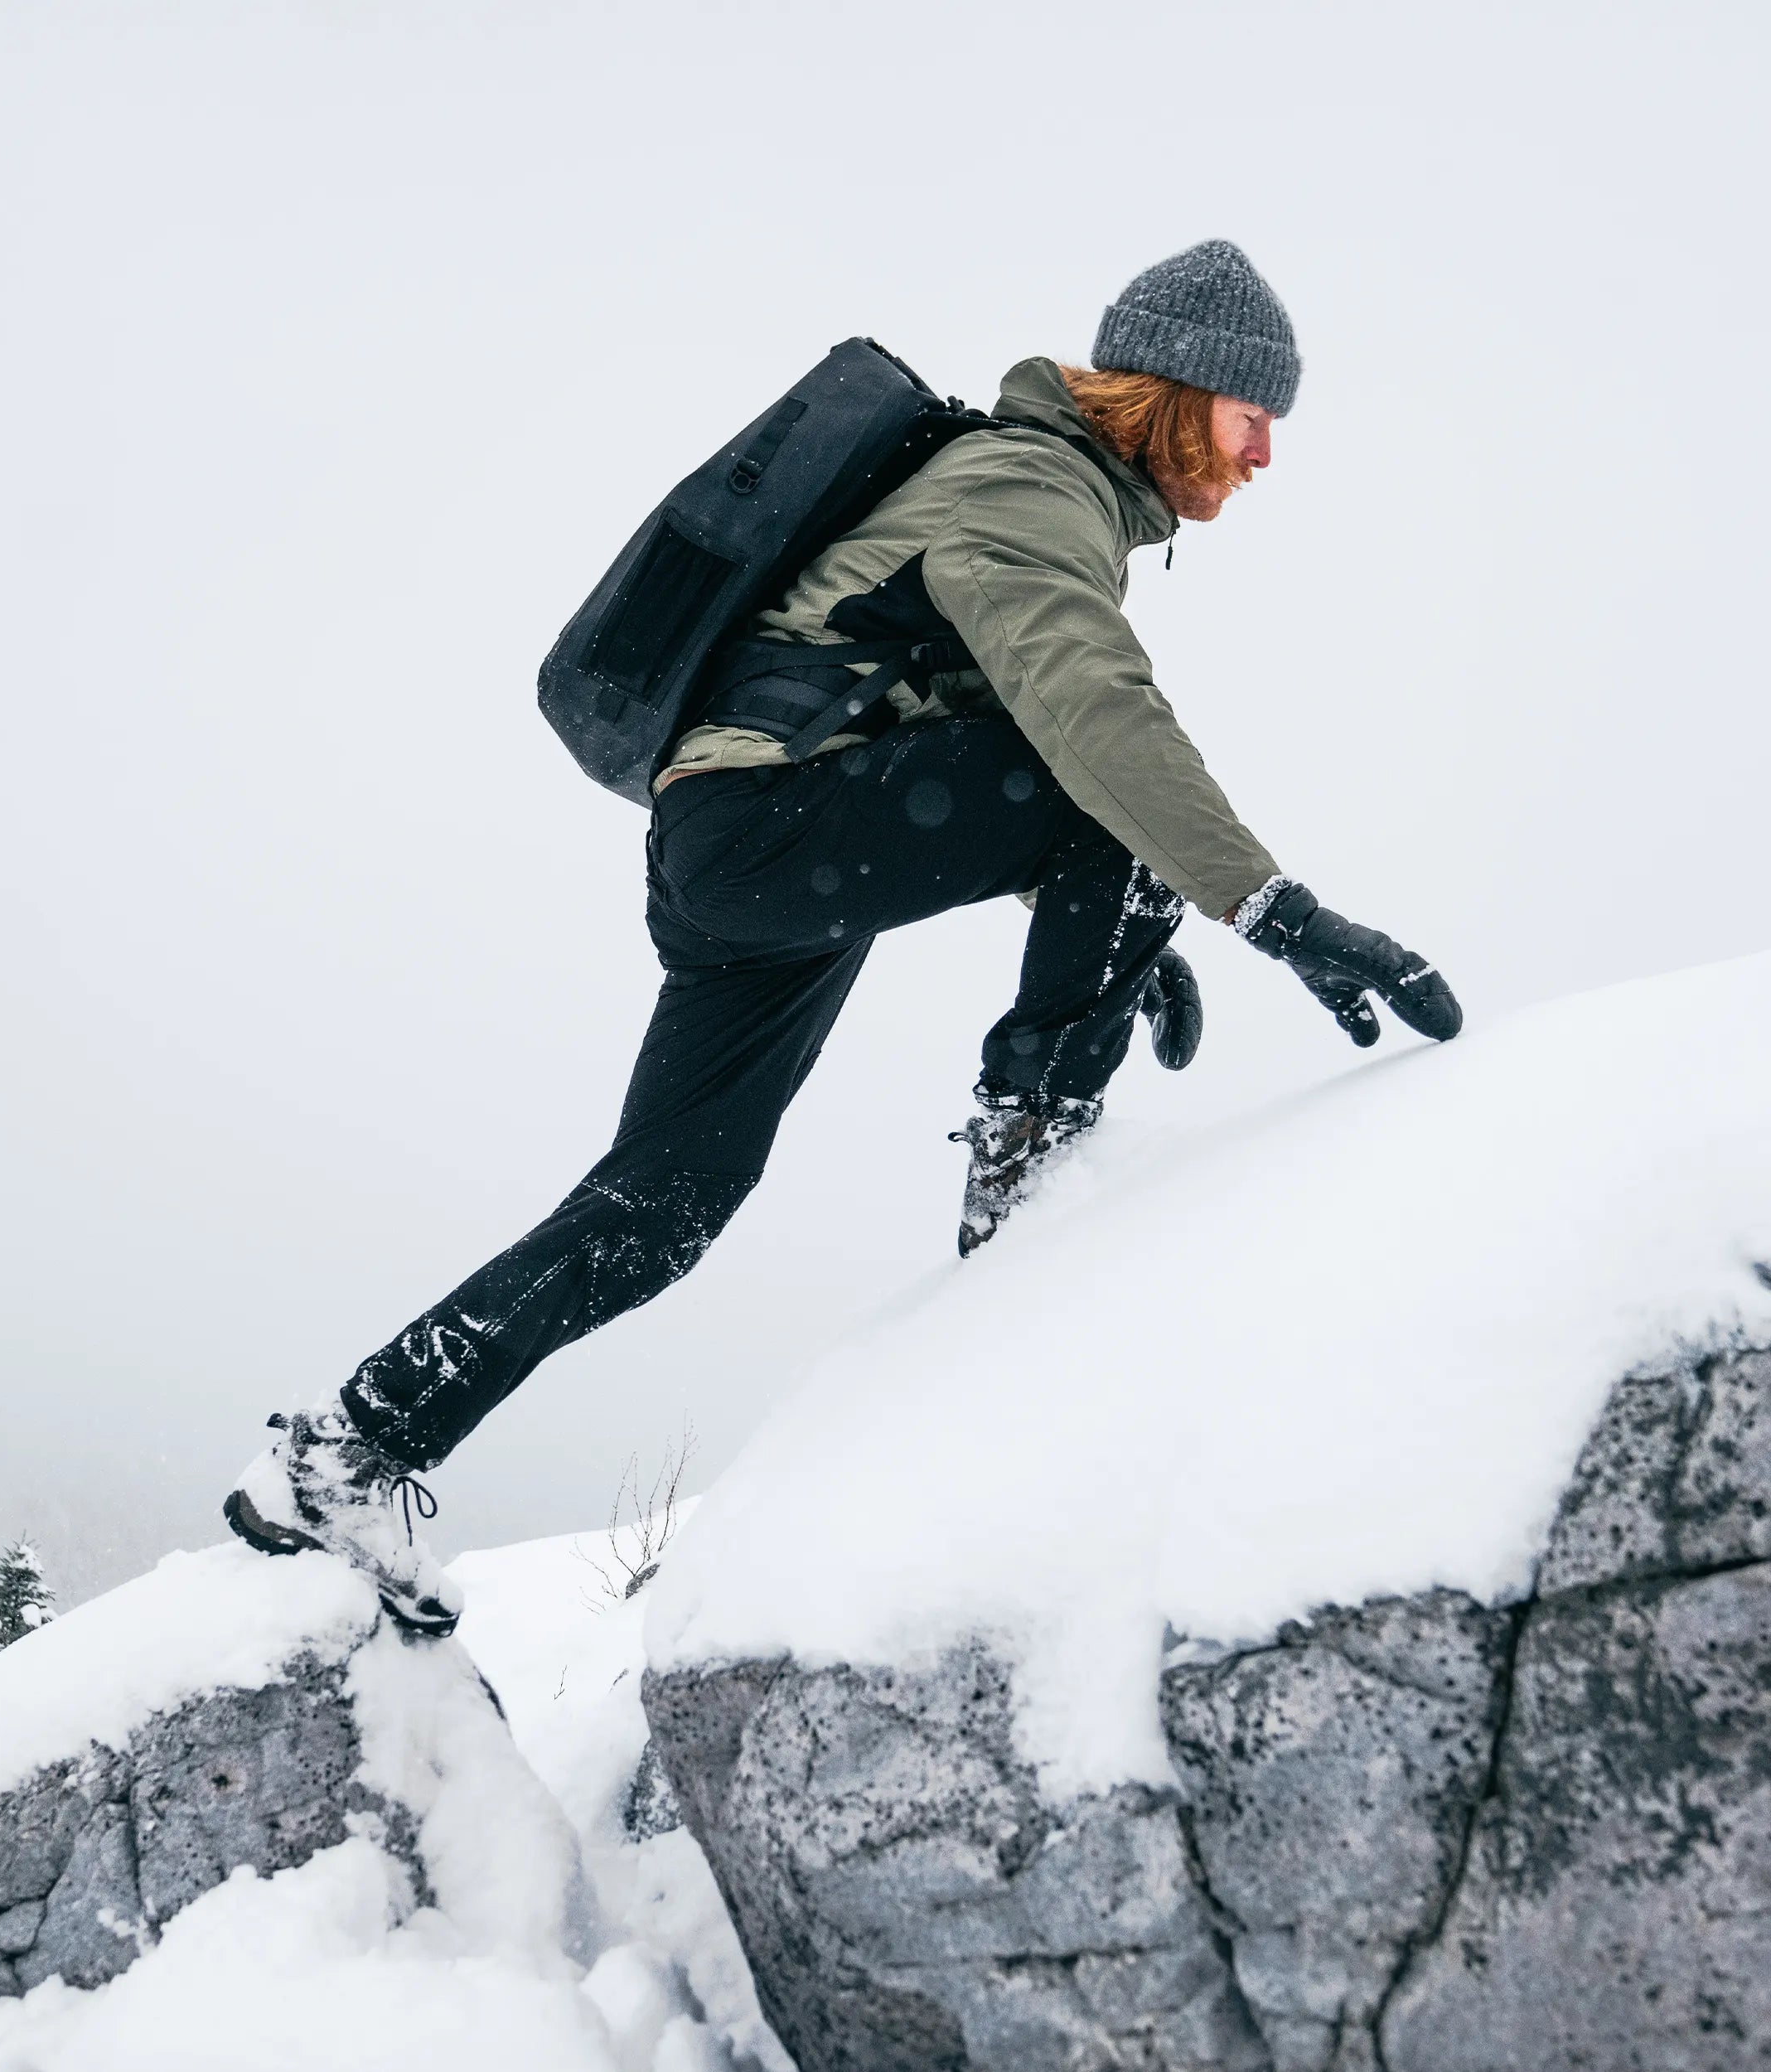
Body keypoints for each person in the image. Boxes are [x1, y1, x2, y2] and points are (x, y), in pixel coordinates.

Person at [224, 240, 1463, 1633]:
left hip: (732, 849)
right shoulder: (1030, 485)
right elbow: (1093, 714)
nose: (1266, 457)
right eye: (1255, 418)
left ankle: (343, 1454)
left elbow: (944, 732)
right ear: (1179, 399)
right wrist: (1272, 912)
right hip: (768, 824)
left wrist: (1126, 916)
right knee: (1106, 786)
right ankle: (1032, 1177)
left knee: (663, 1210)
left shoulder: (1029, 491)